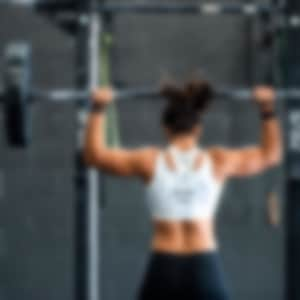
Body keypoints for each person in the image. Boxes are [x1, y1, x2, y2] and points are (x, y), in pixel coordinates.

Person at [84, 79, 282, 300]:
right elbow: (271, 155)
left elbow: (95, 156)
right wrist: (267, 109)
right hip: (203, 264)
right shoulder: (218, 161)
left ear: (165, 129)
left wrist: (98, 108)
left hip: (165, 265)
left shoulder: (149, 161)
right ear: (198, 129)